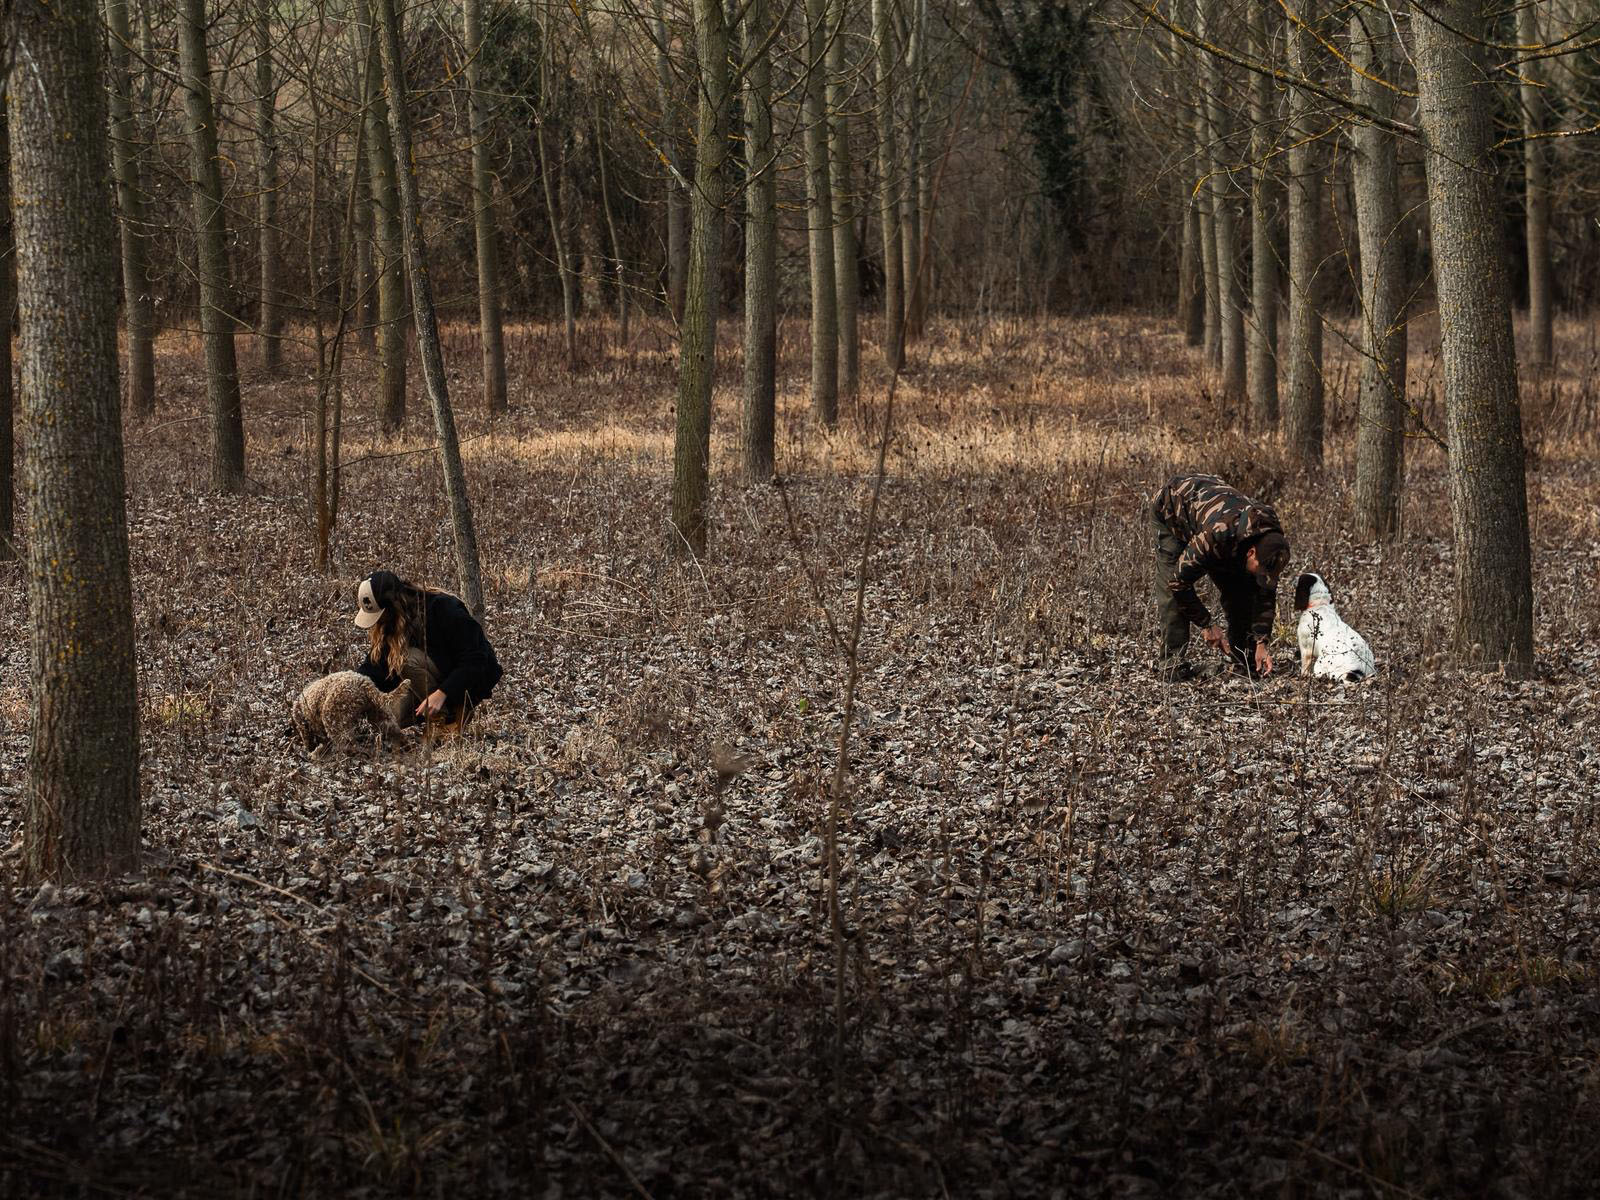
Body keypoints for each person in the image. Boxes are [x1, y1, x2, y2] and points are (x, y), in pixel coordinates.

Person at [1149, 473, 1291, 681]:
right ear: (1250, 553)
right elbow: (1179, 583)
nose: (1261, 576)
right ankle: (1171, 665)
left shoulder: (1270, 544)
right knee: (1173, 592)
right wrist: (1207, 624)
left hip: (1221, 528)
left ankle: (1244, 660)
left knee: (1242, 591)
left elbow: (1264, 592)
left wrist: (1262, 643)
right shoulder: (1216, 537)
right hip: (1173, 508)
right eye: (1259, 570)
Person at [353, 570, 502, 726]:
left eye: (380, 615)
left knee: (406, 660)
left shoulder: (444, 608)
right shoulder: (392, 623)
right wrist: (349, 683)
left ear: (394, 606)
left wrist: (442, 693)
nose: (378, 622)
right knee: (390, 720)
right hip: (430, 680)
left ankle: (446, 719)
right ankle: (434, 713)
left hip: (468, 681)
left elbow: (476, 660)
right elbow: (375, 667)